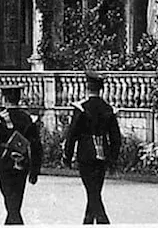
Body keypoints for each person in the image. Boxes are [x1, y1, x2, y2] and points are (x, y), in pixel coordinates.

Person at [62, 71, 123, 225]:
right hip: (103, 154)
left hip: (86, 154)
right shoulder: (108, 109)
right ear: (100, 89)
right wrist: (113, 159)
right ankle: (87, 221)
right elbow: (116, 138)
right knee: (94, 190)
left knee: (92, 192)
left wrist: (67, 156)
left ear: (87, 87)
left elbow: (72, 134)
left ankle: (103, 221)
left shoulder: (82, 108)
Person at [0, 85, 42, 225]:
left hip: (4, 164)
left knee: (10, 202)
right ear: (19, 98)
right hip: (22, 163)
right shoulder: (28, 119)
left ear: (5, 99)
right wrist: (35, 171)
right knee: (16, 200)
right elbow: (36, 147)